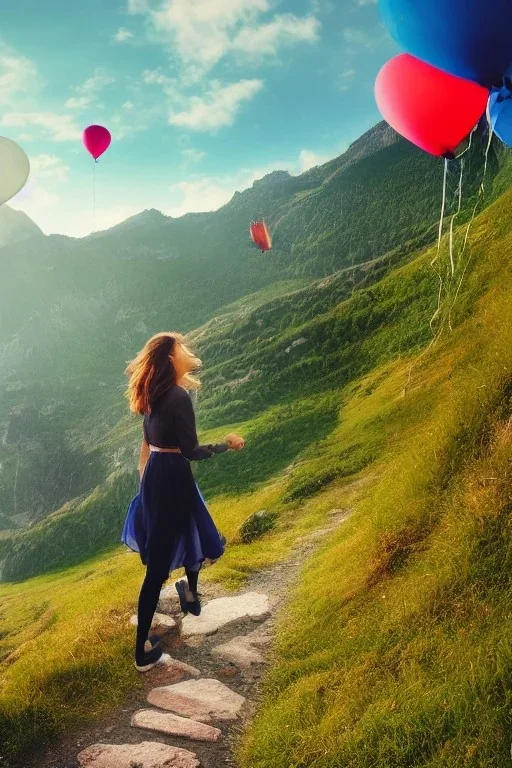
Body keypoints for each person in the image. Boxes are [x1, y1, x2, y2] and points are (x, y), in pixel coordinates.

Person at [121, 331, 245, 672]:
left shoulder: (155, 393)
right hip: (172, 478)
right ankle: (141, 653)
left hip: (161, 476)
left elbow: (148, 442)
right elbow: (191, 450)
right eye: (182, 346)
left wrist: (145, 478)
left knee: (195, 530)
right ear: (172, 357)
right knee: (162, 565)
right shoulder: (176, 396)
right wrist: (227, 444)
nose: (188, 350)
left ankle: (189, 594)